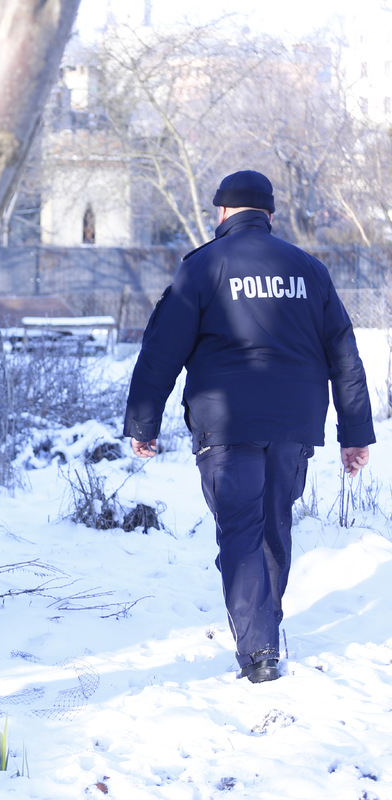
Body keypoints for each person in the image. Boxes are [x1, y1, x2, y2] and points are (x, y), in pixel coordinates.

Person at [122, 169, 375, 684]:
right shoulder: (310, 270)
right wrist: (355, 434)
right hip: (293, 424)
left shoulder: (203, 267)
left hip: (225, 423)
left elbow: (160, 352)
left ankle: (258, 650)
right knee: (273, 526)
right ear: (270, 215)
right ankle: (264, 635)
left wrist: (144, 423)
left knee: (240, 530)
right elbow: (345, 355)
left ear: (221, 213)